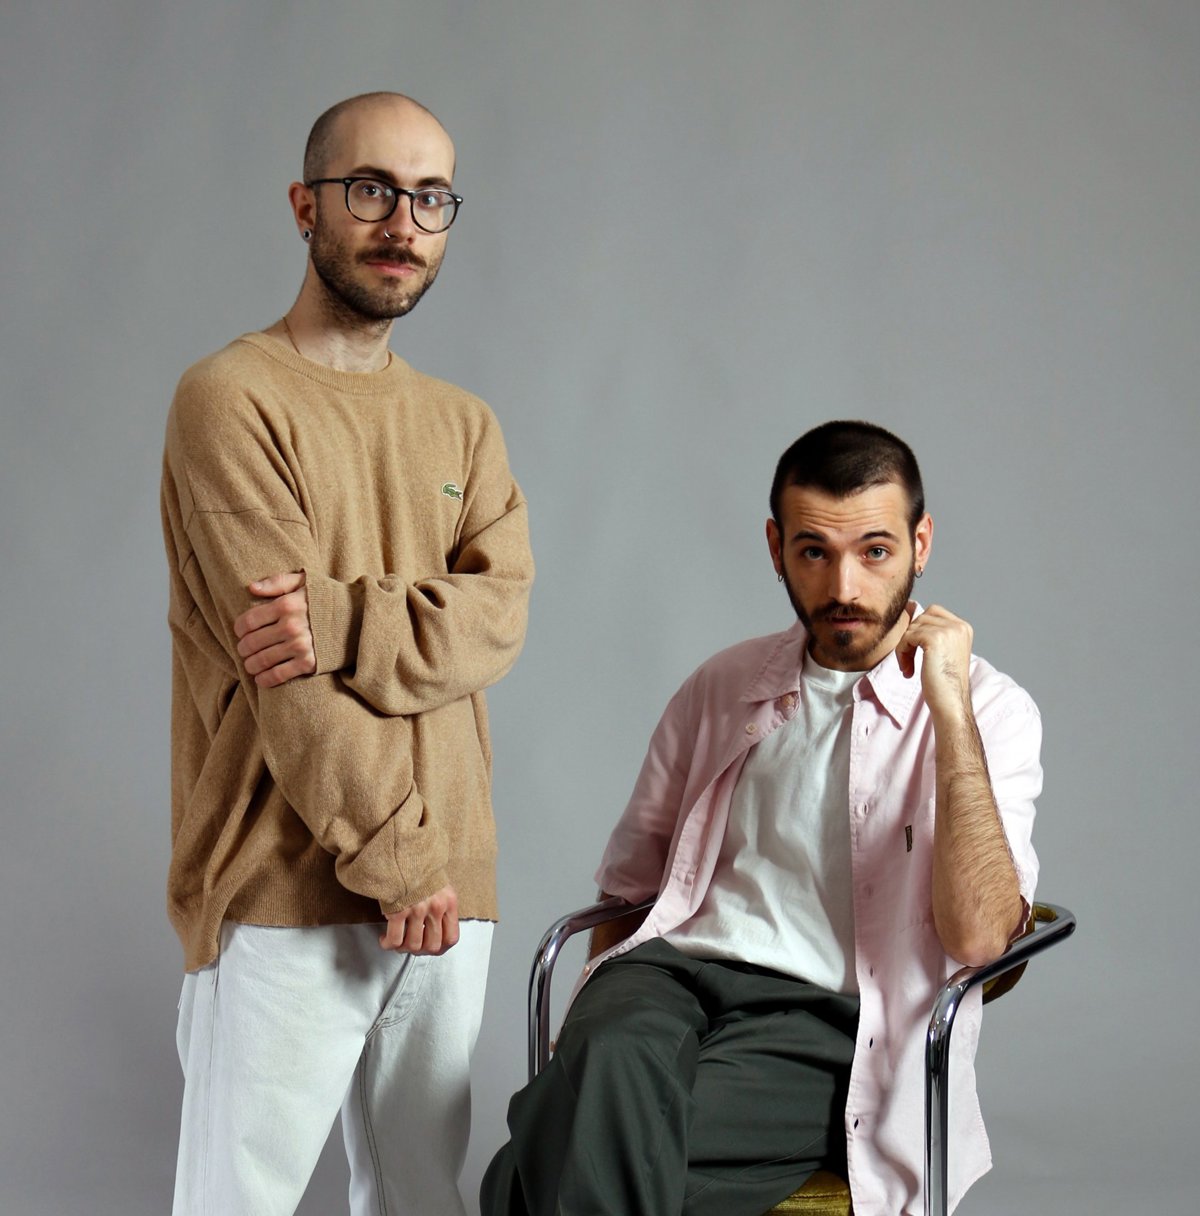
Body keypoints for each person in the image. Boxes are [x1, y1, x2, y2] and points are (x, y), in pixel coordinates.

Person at [481, 421, 1039, 1216]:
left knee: (539, 1162)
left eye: (875, 551)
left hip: (826, 1016)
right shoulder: (724, 683)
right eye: (815, 551)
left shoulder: (992, 709)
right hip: (668, 973)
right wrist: (581, 1040)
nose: (845, 585)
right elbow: (632, 884)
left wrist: (947, 704)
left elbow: (981, 939)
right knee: (604, 1070)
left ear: (920, 545)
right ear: (776, 549)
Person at [160, 92, 534, 1216]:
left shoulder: (465, 424)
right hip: (288, 884)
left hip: (453, 888)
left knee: (421, 1198)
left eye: (431, 198)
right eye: (371, 190)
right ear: (305, 206)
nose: (402, 224)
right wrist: (397, 858)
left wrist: (343, 616)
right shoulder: (230, 398)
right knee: (236, 1201)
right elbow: (285, 677)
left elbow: (500, 615)